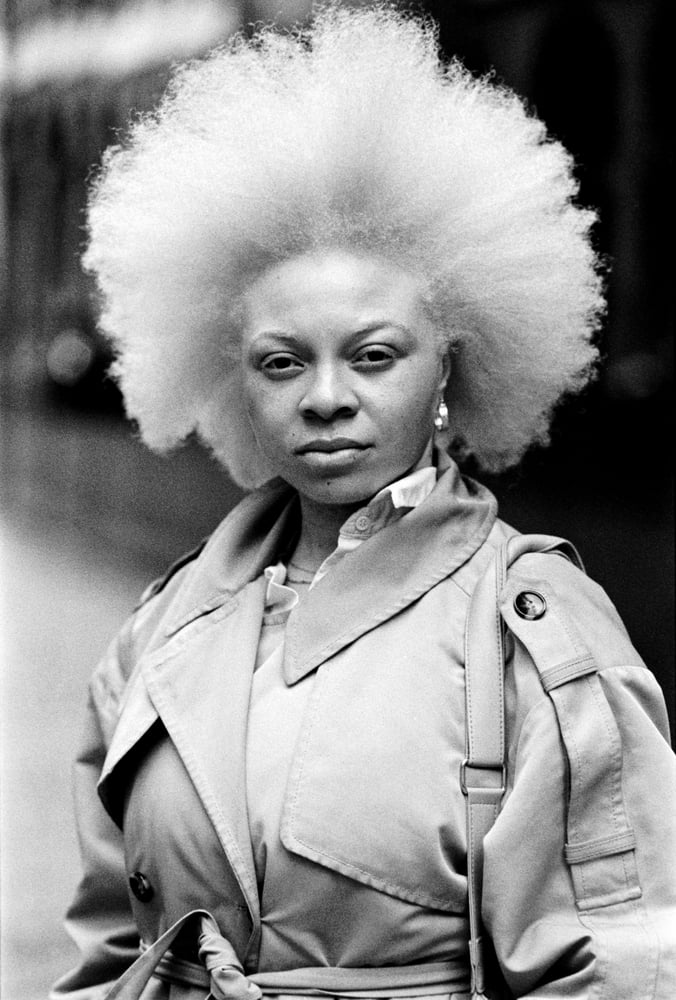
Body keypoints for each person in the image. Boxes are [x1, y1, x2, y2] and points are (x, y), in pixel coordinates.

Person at [51, 6, 675, 1000]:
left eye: (374, 355)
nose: (327, 396)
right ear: (230, 380)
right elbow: (107, 958)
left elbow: (619, 969)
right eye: (281, 362)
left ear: (449, 367)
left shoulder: (537, 634)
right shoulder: (158, 636)